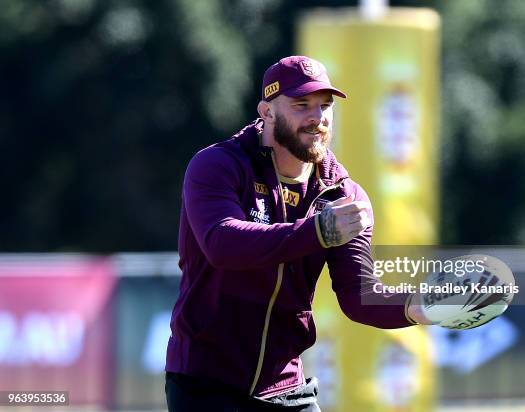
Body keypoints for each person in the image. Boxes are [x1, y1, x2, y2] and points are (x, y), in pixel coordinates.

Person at [165, 56, 430, 412]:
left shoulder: (343, 195)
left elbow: (360, 296)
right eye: (301, 105)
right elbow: (222, 243)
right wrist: (317, 231)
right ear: (268, 112)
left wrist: (424, 306)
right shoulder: (217, 165)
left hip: (286, 386)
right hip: (206, 383)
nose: (317, 118)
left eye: (325, 106)